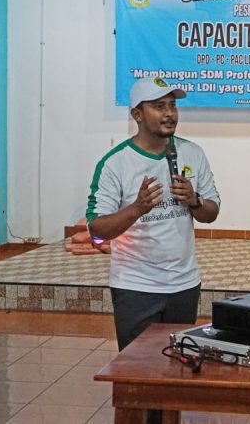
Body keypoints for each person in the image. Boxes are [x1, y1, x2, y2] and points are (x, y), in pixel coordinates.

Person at [85, 76, 220, 353]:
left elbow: (212, 213)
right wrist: (137, 208)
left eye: (172, 105)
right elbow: (97, 230)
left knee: (179, 364)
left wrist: (194, 200)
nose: (170, 113)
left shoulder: (192, 153)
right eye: (159, 106)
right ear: (137, 114)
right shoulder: (115, 163)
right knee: (137, 366)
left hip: (184, 283)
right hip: (136, 287)